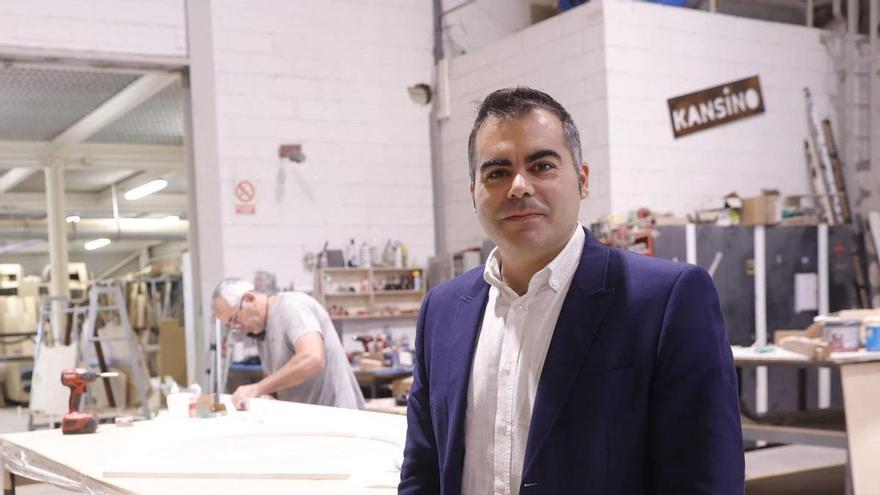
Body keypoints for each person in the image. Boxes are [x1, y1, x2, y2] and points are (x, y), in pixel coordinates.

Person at [399, 87, 743, 494]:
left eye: (542, 165)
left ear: (582, 181)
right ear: (473, 193)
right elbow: (422, 470)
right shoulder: (442, 311)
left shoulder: (666, 300)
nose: (519, 186)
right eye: (496, 172)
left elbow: (704, 480)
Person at [212, 278, 365, 410]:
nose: (237, 328)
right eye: (230, 325)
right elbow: (274, 382)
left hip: (337, 417)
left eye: (235, 319)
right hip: (309, 422)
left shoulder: (291, 305)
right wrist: (266, 397)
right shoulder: (261, 332)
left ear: (250, 299)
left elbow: (312, 358)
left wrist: (256, 389)